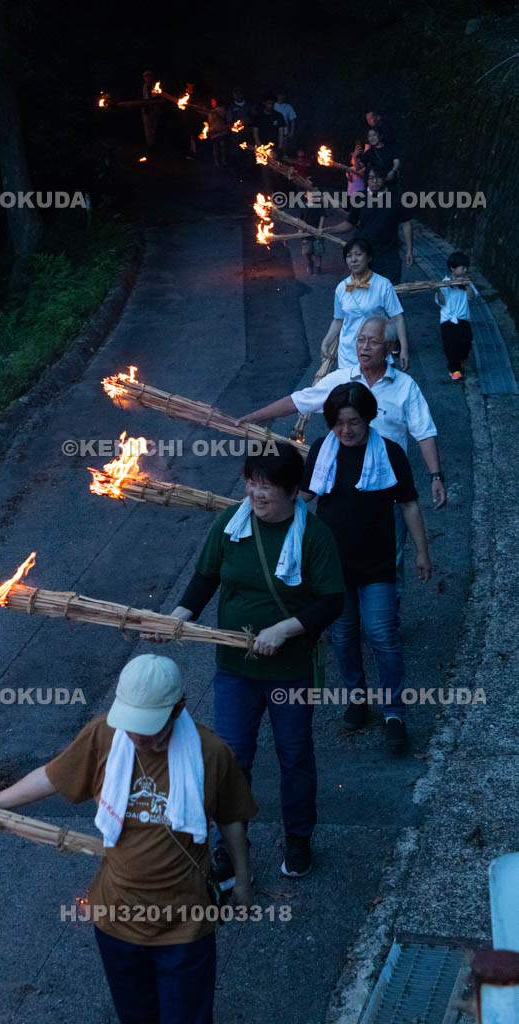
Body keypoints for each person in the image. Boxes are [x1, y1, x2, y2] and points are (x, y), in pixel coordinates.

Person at [0, 654, 256, 1024]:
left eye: (149, 729)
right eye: (132, 726)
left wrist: (242, 882)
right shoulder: (104, 736)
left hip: (186, 922)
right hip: (116, 918)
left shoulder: (211, 753)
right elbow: (53, 776)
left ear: (179, 710)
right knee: (136, 1016)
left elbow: (232, 821)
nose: (138, 738)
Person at [153, 448, 344, 883]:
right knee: (231, 760)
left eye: (267, 485)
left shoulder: (314, 536)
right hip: (235, 668)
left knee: (294, 757)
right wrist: (177, 619)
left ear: (293, 491)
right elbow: (206, 577)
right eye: (251, 482)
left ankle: (298, 838)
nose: (256, 493)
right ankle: (227, 850)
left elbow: (332, 600)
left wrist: (283, 630)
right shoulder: (231, 523)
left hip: (290, 670)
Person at [235, 317, 446, 597]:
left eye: (372, 341)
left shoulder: (405, 387)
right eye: (360, 340)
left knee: (389, 556)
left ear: (389, 347)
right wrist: (255, 417)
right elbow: (299, 400)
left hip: (387, 488)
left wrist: (436, 475)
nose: (364, 347)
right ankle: (341, 615)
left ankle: (384, 615)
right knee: (338, 553)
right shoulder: (341, 380)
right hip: (340, 486)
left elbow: (424, 431)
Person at [299, 383, 432, 752]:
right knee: (342, 636)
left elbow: (408, 505)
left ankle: (394, 711)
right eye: (338, 423)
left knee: (382, 635)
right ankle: (356, 697)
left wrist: (422, 552)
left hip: (377, 564)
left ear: (369, 417)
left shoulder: (389, 453)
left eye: (353, 422)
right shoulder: (321, 453)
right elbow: (305, 497)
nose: (346, 430)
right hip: (332, 567)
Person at [317, 237, 408, 370]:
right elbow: (338, 320)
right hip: (348, 354)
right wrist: (326, 341)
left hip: (376, 351)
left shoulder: (383, 284)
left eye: (358, 254)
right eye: (349, 256)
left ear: (369, 257)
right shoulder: (342, 287)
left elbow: (397, 318)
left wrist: (404, 349)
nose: (353, 260)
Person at [332, 168, 413, 285]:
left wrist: (409, 250)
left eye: (378, 177)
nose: (374, 181)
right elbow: (349, 224)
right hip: (365, 254)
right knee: (365, 292)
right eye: (370, 178)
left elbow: (406, 223)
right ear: (366, 180)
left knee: (391, 290)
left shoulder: (397, 197)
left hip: (389, 253)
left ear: (384, 178)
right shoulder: (359, 197)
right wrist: (327, 230)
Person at [435, 250, 479, 380]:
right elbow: (442, 302)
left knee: (466, 342)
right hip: (448, 319)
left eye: (466, 268)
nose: (465, 270)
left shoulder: (466, 282)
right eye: (462, 268)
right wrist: (438, 290)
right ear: (452, 268)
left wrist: (466, 286)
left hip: (463, 318)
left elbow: (472, 296)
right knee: (450, 345)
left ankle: (461, 359)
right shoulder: (444, 283)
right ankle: (455, 370)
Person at [207, 96, 229, 167]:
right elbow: (210, 122)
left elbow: (224, 117)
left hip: (222, 131)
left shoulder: (222, 109)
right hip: (214, 132)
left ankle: (224, 161)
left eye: (214, 101)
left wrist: (216, 113)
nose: (212, 103)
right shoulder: (210, 112)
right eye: (212, 102)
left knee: (223, 147)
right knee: (215, 147)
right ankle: (216, 162)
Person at [141, 69, 161, 150]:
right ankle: (150, 145)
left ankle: (155, 144)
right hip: (146, 108)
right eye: (145, 76)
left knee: (154, 127)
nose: (147, 78)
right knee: (147, 128)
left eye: (148, 76)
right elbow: (144, 97)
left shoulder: (155, 86)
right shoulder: (144, 86)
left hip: (154, 108)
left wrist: (155, 108)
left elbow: (156, 97)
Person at [274, 91, 297, 155]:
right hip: (274, 130)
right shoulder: (273, 105)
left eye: (282, 95)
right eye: (279, 95)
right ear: (277, 96)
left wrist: (291, 131)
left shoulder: (288, 107)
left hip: (284, 130)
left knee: (284, 147)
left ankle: (284, 158)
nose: (281, 97)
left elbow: (292, 120)